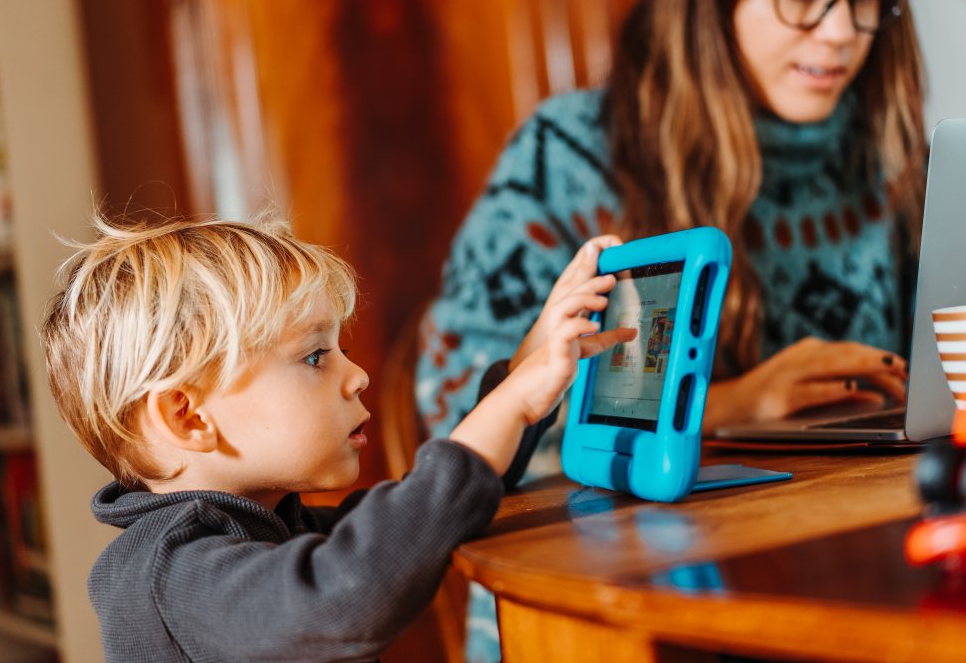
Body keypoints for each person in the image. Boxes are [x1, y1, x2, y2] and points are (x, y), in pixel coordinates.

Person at [415, 0, 927, 659]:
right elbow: (458, 410)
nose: (842, 29)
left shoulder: (886, 155)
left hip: (836, 563)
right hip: (607, 597)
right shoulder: (571, 154)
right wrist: (732, 405)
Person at [39, 212, 632, 663]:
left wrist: (521, 378)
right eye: (317, 355)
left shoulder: (263, 523)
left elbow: (412, 519)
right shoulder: (167, 573)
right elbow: (342, 594)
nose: (358, 375)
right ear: (189, 417)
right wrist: (505, 408)